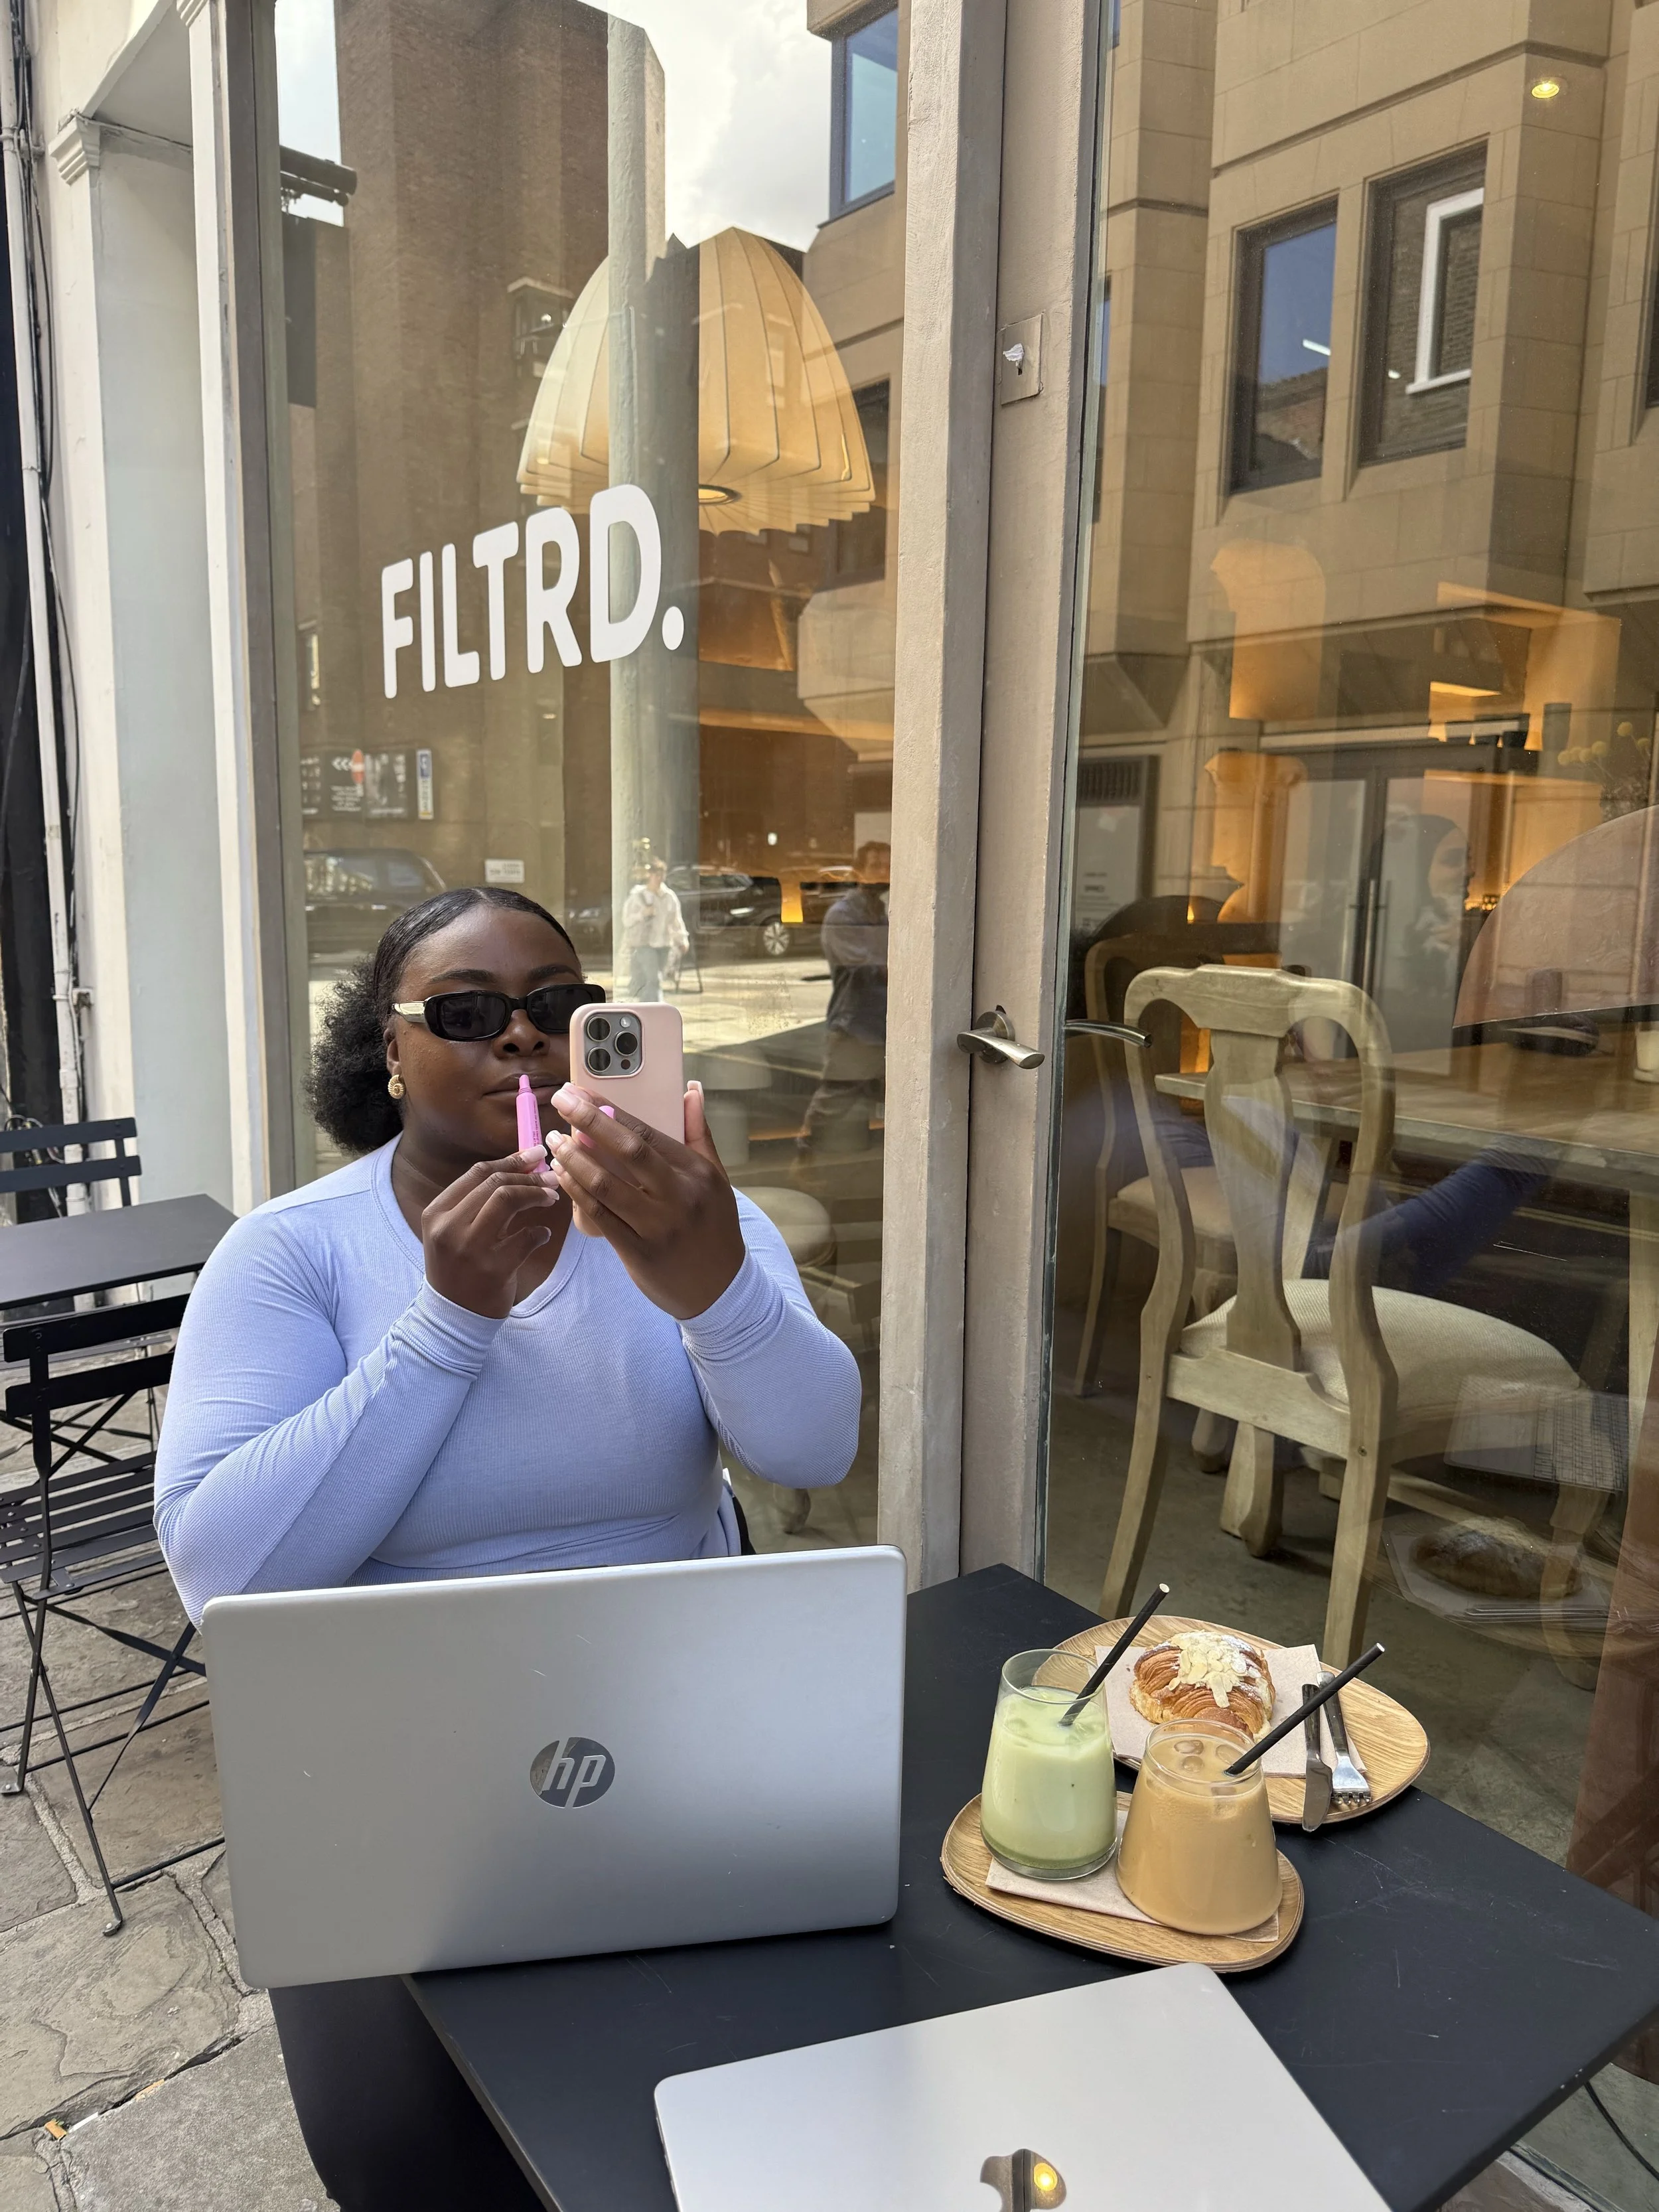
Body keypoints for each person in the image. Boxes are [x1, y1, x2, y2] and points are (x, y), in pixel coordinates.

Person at [154, 884, 859, 2212]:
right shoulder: (292, 1254)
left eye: (555, 1008)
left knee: (754, 2110)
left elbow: (813, 1446)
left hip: (683, 1740)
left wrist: (709, 1280)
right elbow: (223, 1577)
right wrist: (447, 1321)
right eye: (467, 1014)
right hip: (395, 1784)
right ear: (388, 1046)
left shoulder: (686, 1212)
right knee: (406, 2154)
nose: (520, 1041)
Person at [798, 842, 889, 1159]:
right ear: (859, 872)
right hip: (855, 1027)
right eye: (877, 865)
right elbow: (875, 968)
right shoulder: (842, 916)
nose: (885, 871)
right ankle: (804, 1163)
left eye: (889, 864)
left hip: (881, 1025)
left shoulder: (881, 913)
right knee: (833, 1099)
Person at [619, 855, 689, 1001]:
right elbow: (627, 920)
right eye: (656, 875)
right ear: (649, 876)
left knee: (653, 981)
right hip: (644, 944)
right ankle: (656, 1009)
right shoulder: (638, 896)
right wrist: (643, 913)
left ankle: (644, 1007)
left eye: (661, 875)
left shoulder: (669, 897)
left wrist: (682, 940)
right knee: (654, 979)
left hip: (664, 944)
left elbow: (676, 920)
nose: (659, 879)